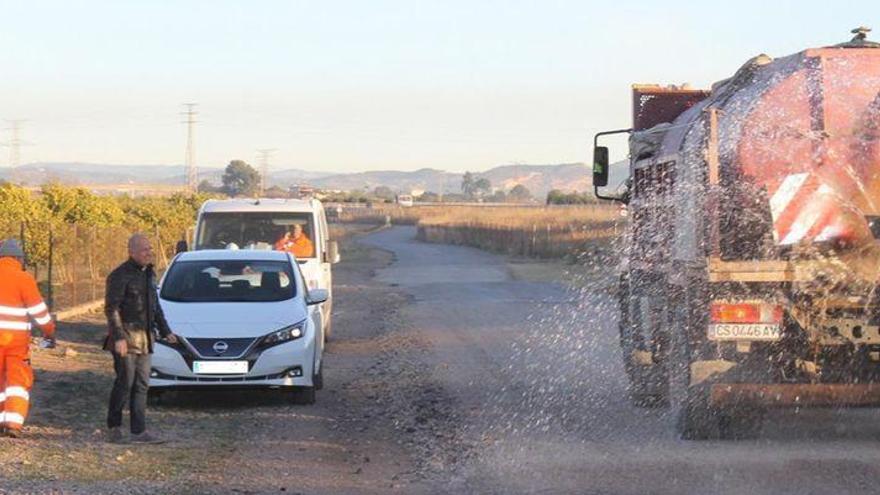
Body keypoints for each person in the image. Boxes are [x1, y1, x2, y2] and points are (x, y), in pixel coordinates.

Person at [104, 234, 178, 444]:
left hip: (146, 339)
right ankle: (114, 426)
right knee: (124, 383)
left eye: (150, 249)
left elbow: (154, 306)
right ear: (132, 252)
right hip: (126, 339)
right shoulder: (119, 275)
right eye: (144, 249)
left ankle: (139, 431)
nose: (149, 252)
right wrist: (118, 337)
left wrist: (166, 331)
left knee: (142, 385)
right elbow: (112, 309)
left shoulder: (149, 274)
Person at [0, 239, 56, 439]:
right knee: (17, 381)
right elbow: (38, 311)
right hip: (15, 343)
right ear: (17, 258)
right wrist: (49, 331)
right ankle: (13, 424)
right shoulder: (23, 278)